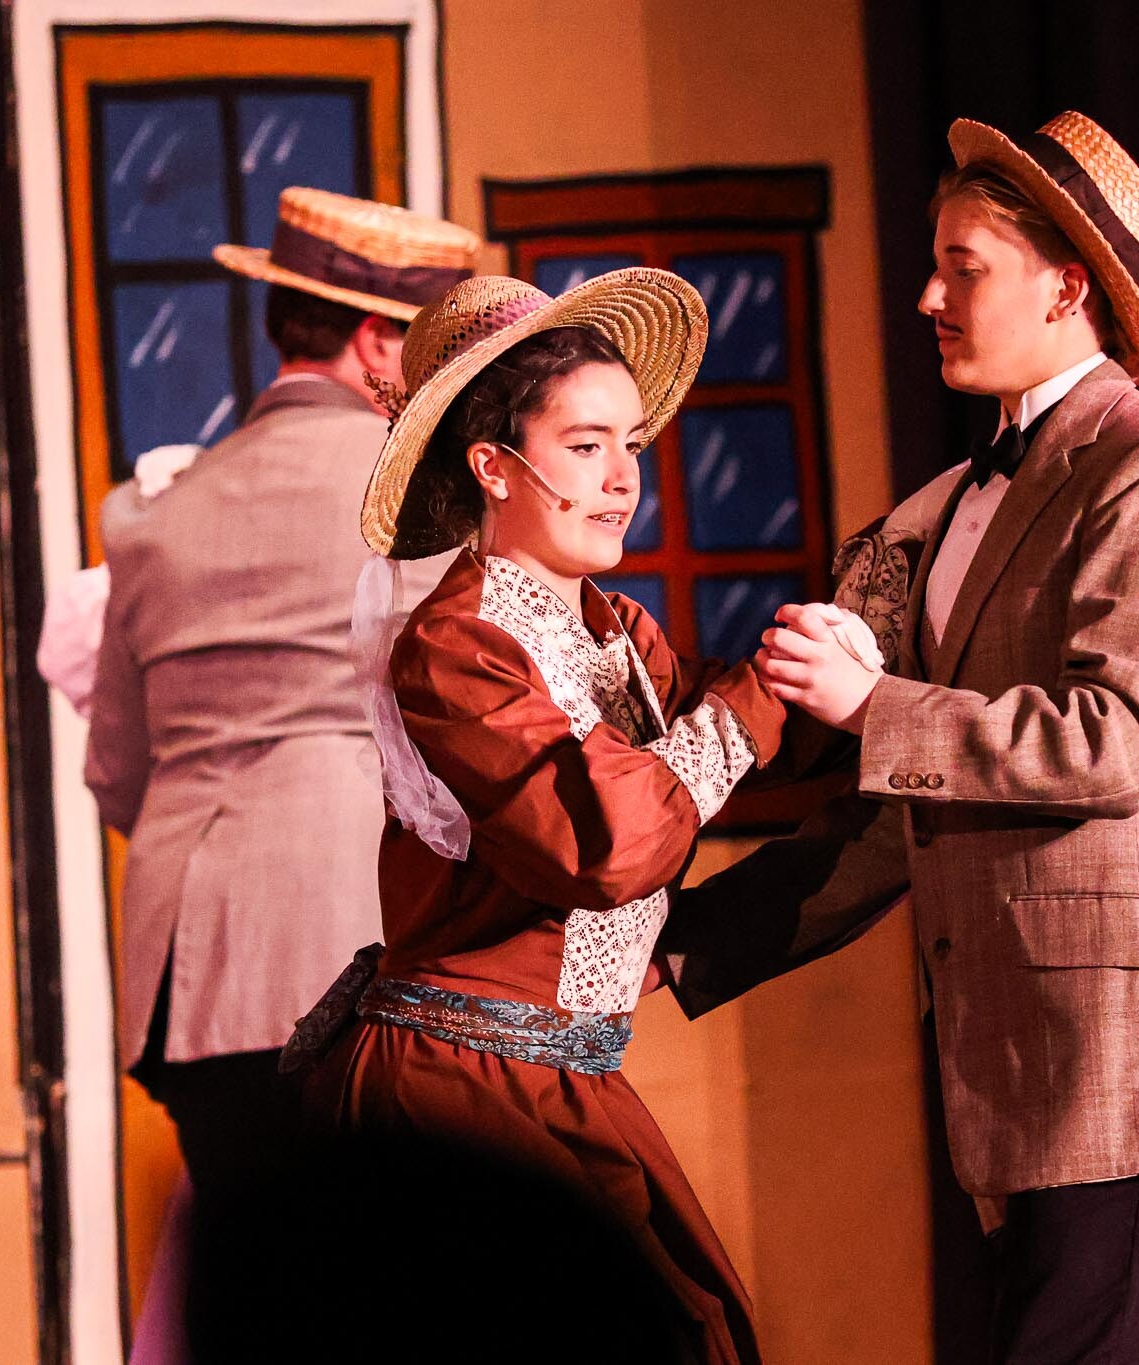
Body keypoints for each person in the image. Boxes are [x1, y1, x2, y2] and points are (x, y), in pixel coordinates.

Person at [663, 113, 1139, 1365]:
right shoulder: (948, 505)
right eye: (934, 265)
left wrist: (869, 704)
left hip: (1122, 1057)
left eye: (963, 268)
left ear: (1066, 288)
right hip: (1014, 1066)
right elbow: (906, 802)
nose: (927, 297)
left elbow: (1117, 740)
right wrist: (671, 943)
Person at [284, 270, 791, 1365]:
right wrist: (757, 706)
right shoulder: (457, 646)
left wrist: (850, 661)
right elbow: (606, 846)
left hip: (563, 1076)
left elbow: (731, 743)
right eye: (585, 446)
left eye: (631, 445)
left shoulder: (618, 632)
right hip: (460, 1087)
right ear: (493, 466)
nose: (622, 479)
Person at [82, 187, 479, 1344]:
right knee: (385, 1307)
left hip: (185, 968)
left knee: (263, 1311)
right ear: (375, 342)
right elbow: (468, 733)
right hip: (346, 940)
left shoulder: (155, 512)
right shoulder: (422, 496)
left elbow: (117, 768)